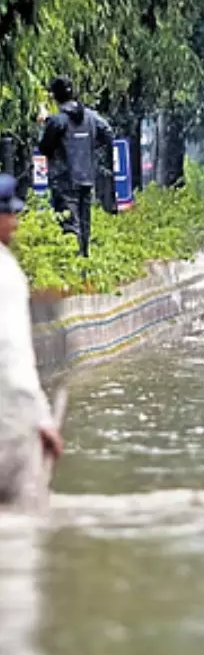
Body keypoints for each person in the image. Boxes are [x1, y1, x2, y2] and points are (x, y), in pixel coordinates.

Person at [0, 175, 63, 510]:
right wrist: (43, 419)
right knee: (19, 527)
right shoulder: (5, 274)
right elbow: (12, 355)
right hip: (7, 423)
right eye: (10, 214)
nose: (16, 222)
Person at [36, 76, 113, 257]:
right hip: (86, 177)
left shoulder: (57, 121)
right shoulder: (91, 116)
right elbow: (108, 133)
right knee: (84, 226)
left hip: (63, 180)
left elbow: (44, 147)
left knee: (70, 225)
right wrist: (89, 147)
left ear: (54, 97)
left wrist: (44, 124)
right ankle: (84, 264)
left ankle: (74, 268)